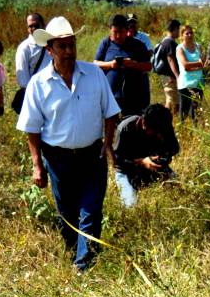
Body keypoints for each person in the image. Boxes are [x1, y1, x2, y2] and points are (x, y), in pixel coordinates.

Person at [17, 17, 120, 271]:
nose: (69, 51)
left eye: (71, 45)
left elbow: (111, 113)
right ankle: (75, 251)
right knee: (67, 212)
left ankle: (84, 266)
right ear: (49, 50)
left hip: (92, 154)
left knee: (92, 209)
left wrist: (107, 144)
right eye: (62, 47)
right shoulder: (39, 84)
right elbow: (32, 128)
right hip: (58, 158)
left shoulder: (94, 74)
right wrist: (37, 165)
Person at [112, 103, 180, 208]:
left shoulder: (163, 124)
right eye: (155, 133)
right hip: (127, 170)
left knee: (179, 191)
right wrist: (141, 161)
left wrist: (163, 157)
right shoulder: (126, 128)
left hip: (153, 166)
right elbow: (117, 161)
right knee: (131, 205)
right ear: (144, 124)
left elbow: (174, 148)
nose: (158, 135)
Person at [93, 14, 152, 117]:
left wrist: (134, 64)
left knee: (132, 126)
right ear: (110, 30)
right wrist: (111, 64)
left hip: (134, 97)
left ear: (127, 30)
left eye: (121, 32)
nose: (118, 36)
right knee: (111, 125)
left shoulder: (138, 45)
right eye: (115, 32)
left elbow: (149, 66)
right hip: (110, 95)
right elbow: (96, 63)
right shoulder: (105, 43)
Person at [14, 12, 52, 98]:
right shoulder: (24, 48)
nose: (33, 28)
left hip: (53, 91)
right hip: (36, 94)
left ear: (43, 25)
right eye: (30, 26)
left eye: (36, 25)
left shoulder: (52, 43)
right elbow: (23, 79)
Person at [175, 24, 205, 121]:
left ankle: (196, 132)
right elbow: (185, 65)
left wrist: (197, 65)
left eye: (191, 33)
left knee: (196, 111)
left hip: (199, 82)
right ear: (182, 35)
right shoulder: (180, 48)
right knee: (184, 111)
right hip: (185, 83)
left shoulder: (198, 46)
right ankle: (182, 131)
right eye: (187, 33)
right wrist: (199, 64)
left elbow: (204, 63)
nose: (189, 35)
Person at [153, 19, 182, 115]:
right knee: (171, 100)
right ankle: (166, 119)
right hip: (169, 76)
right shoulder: (169, 42)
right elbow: (171, 60)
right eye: (178, 29)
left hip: (167, 75)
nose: (179, 32)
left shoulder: (166, 41)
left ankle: (169, 118)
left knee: (172, 99)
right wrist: (177, 76)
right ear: (174, 29)